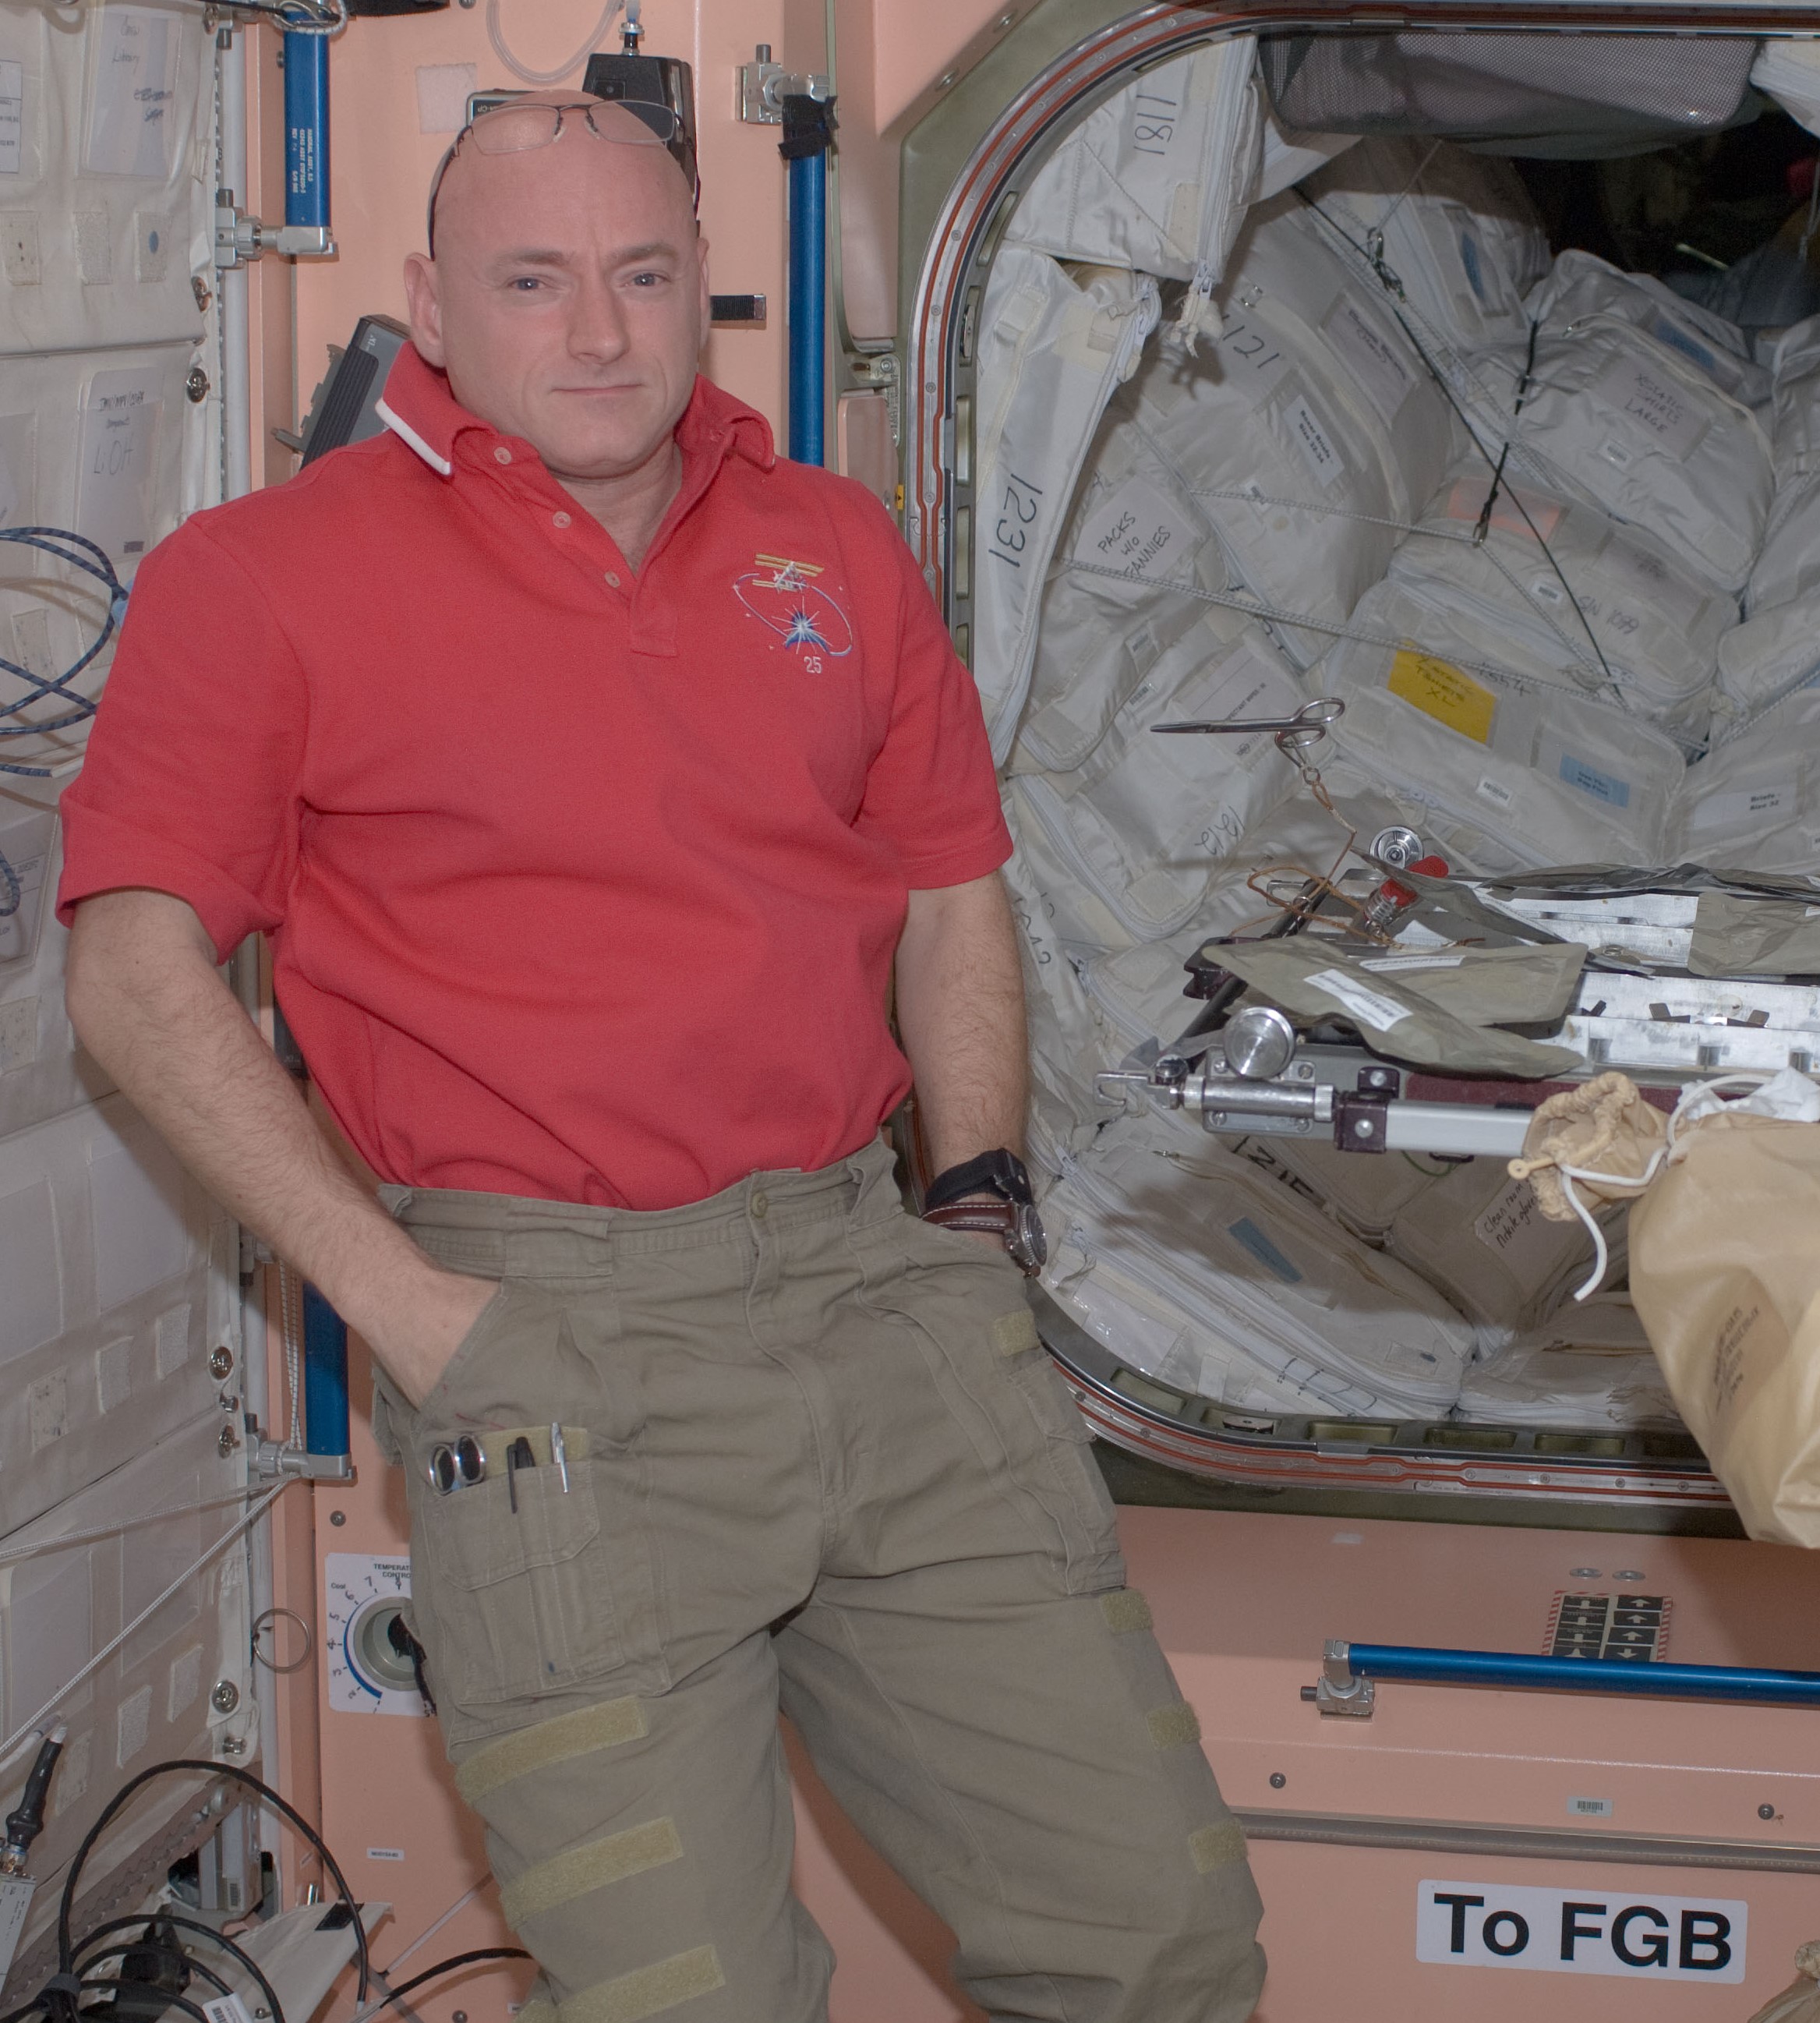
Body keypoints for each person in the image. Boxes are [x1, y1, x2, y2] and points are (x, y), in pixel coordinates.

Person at [58, 94, 1264, 2023]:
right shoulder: (264, 576)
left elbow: (954, 891)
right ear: (429, 308)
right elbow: (132, 971)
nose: (598, 332)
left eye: (639, 277)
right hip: (550, 1344)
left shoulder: (832, 546)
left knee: (1158, 1947)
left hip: (882, 1303)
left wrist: (976, 1207)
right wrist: (409, 1306)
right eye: (532, 280)